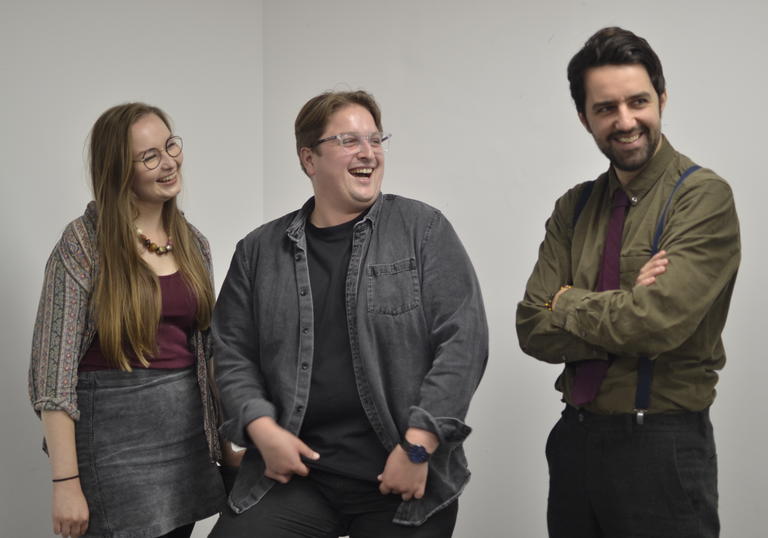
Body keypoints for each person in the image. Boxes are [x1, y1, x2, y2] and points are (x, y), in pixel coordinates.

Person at [210, 90, 488, 537]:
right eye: (348, 141)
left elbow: (464, 344)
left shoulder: (424, 230)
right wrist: (262, 431)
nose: (368, 153)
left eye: (376, 140)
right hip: (295, 475)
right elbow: (231, 352)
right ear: (309, 159)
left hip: (400, 472)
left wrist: (418, 448)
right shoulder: (258, 252)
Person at [516, 27, 740, 538]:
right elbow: (531, 325)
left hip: (660, 446)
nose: (625, 121)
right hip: (575, 441)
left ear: (661, 98)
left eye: (638, 101)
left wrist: (568, 300)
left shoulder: (701, 198)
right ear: (584, 117)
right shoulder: (573, 207)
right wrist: (625, 303)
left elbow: (656, 322)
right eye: (605, 108)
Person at [29, 103, 234, 538]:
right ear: (119, 170)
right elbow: (53, 374)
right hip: (112, 451)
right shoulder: (83, 243)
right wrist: (65, 484)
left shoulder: (193, 242)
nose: (169, 163)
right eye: (149, 156)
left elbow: (210, 352)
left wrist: (230, 440)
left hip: (186, 444)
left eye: (170, 146)